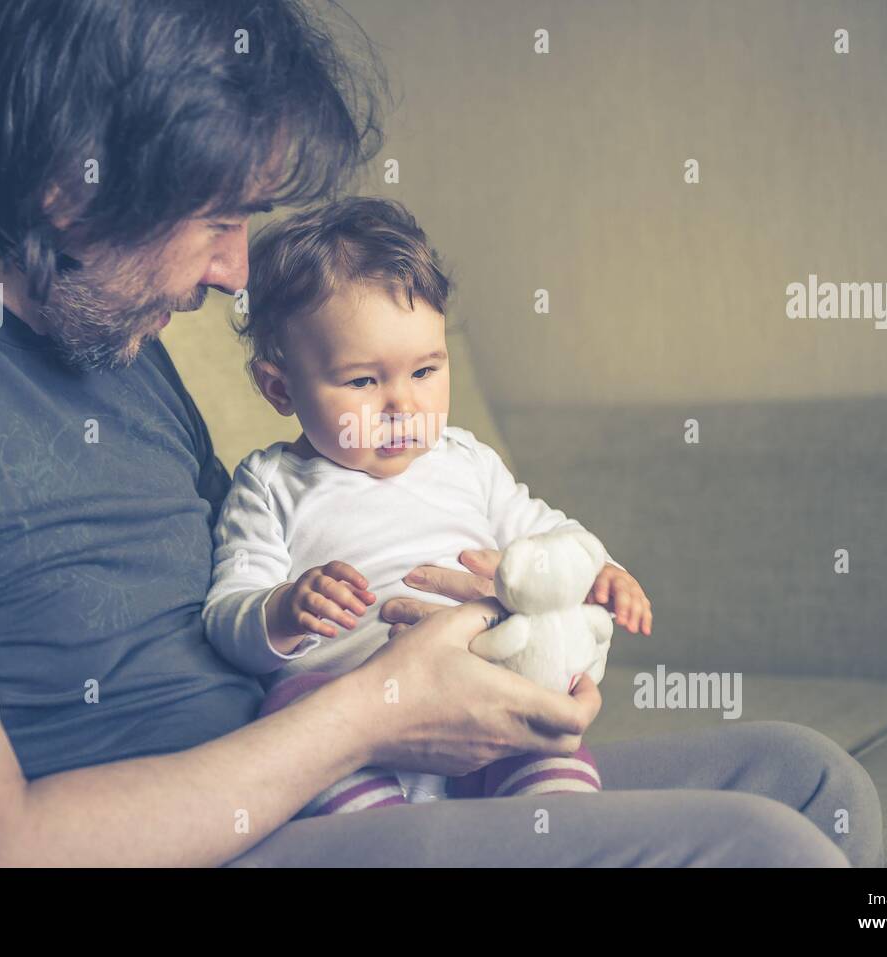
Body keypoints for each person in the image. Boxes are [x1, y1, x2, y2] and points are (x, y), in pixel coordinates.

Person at [0, 0, 882, 868]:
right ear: (65, 184)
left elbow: (255, 578)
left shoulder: (106, 335)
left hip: (299, 776)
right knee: (761, 855)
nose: (233, 273)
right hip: (177, 841)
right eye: (218, 220)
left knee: (809, 784)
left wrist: (455, 649)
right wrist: (377, 715)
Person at [203, 196, 647, 813]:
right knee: (288, 704)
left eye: (426, 370)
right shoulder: (271, 485)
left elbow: (551, 539)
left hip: (485, 701)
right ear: (280, 387)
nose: (404, 406)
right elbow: (226, 615)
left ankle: (563, 836)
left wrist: (602, 571)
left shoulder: (466, 460)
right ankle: (387, 836)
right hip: (351, 728)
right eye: (363, 381)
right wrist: (281, 611)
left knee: (547, 729)